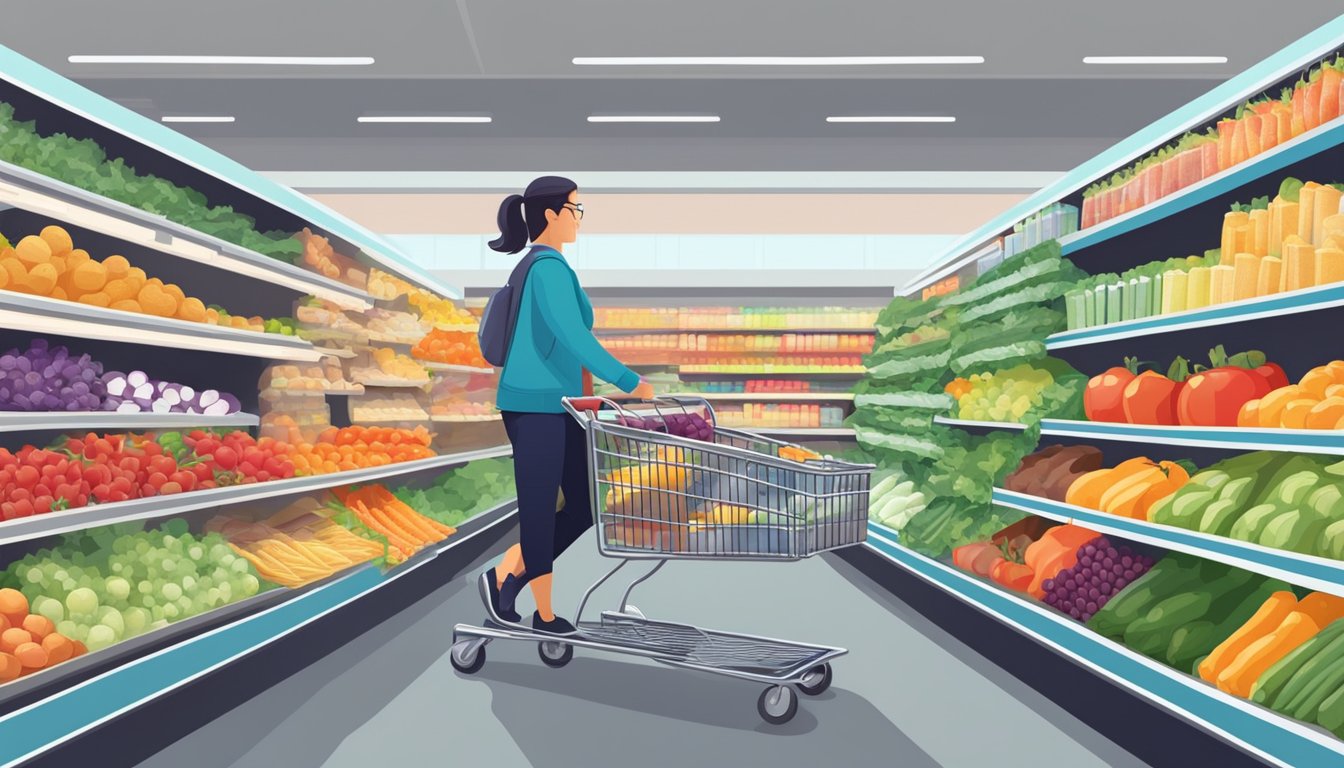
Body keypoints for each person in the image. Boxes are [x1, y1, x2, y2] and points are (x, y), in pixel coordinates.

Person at [479, 175, 652, 636]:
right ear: (552, 214)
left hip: (564, 407)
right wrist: (629, 381)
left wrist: (590, 397)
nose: (578, 218)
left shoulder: (549, 268)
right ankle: (546, 614)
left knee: (583, 505)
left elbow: (569, 346)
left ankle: (506, 573)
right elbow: (574, 335)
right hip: (535, 406)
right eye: (575, 209)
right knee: (538, 509)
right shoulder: (547, 269)